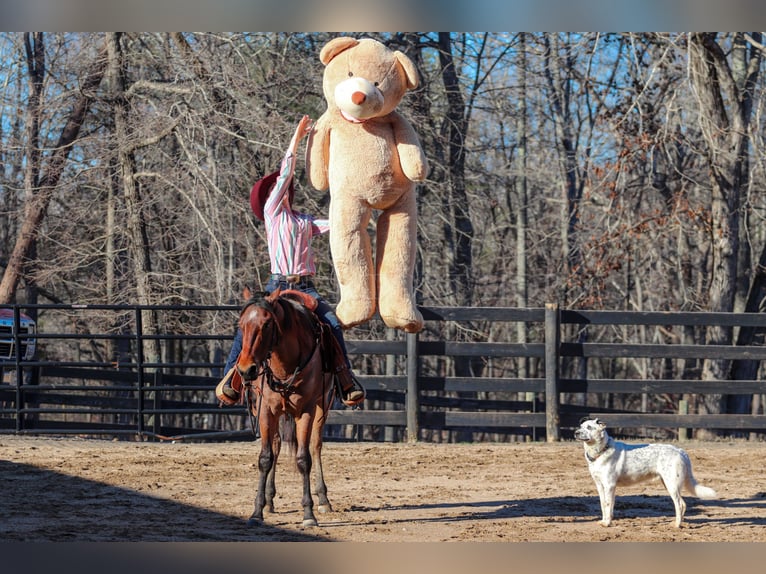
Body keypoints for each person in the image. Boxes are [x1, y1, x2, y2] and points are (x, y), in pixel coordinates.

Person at [216, 114, 365, 408]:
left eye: (281, 189)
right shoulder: (272, 212)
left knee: (331, 323)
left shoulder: (303, 221)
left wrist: (360, 206)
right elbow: (285, 175)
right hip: (277, 284)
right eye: (276, 188)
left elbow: (338, 222)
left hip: (305, 287)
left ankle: (344, 378)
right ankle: (231, 376)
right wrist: (296, 140)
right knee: (249, 322)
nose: (280, 190)